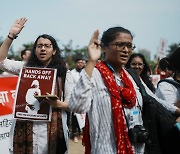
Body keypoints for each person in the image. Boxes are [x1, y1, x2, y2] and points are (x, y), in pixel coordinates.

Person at [64, 27, 180, 154]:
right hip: (106, 149)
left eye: (129, 46)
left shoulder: (132, 76)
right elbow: (78, 106)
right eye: (120, 45)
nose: (126, 50)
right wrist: (91, 61)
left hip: (136, 149)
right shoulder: (94, 74)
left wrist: (177, 110)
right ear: (104, 47)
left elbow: (154, 99)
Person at [0, 18, 68, 154]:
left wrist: (58, 104)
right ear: (35, 50)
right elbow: (1, 62)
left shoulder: (64, 73)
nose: (43, 49)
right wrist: (11, 36)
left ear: (54, 51)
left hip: (53, 133)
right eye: (39, 46)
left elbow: (76, 103)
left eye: (47, 46)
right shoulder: (25, 68)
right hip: (24, 130)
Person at [65, 58, 86, 143]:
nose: (80, 64)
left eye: (82, 63)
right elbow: (71, 86)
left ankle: (82, 133)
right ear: (75, 63)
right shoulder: (71, 73)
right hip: (74, 98)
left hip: (84, 98)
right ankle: (74, 135)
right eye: (78, 62)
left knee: (82, 117)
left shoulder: (85, 73)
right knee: (74, 118)